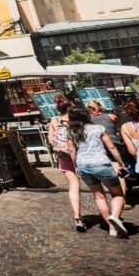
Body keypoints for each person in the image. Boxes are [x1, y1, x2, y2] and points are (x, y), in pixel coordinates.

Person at [67, 107, 130, 238]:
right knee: (117, 193)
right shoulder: (98, 128)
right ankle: (115, 217)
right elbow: (111, 147)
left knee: (99, 196)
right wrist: (121, 163)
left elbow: (72, 151)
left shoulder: (71, 132)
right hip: (101, 164)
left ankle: (112, 227)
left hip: (84, 166)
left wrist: (76, 166)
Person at [48, 97, 83, 231]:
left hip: (64, 156)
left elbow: (51, 140)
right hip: (81, 155)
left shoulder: (54, 121)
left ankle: (77, 217)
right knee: (96, 187)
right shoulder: (77, 120)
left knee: (73, 186)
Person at [87, 99, 132, 195]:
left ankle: (118, 197)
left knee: (109, 173)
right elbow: (121, 131)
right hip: (116, 144)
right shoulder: (112, 116)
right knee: (120, 172)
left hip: (100, 147)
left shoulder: (89, 120)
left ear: (89, 108)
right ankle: (122, 197)